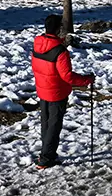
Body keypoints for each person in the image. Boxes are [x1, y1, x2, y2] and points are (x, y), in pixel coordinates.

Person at [31, 14, 94, 168]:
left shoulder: (37, 44)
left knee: (46, 124)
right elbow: (67, 76)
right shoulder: (60, 51)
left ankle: (47, 154)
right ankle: (46, 159)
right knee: (54, 125)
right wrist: (87, 80)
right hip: (57, 93)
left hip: (42, 90)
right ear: (59, 29)